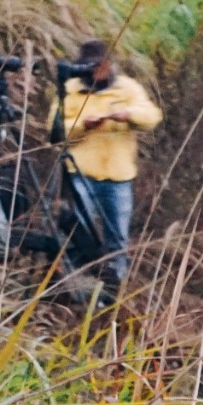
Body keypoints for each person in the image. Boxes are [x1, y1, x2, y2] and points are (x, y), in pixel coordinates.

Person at [59, 37, 162, 290]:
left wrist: (127, 115)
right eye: (88, 65)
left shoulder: (128, 88)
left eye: (97, 65)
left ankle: (114, 290)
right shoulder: (70, 89)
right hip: (81, 173)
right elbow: (57, 131)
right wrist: (85, 124)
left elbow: (151, 116)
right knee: (77, 232)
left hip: (118, 176)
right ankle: (75, 286)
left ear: (108, 64)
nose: (94, 70)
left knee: (117, 237)